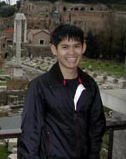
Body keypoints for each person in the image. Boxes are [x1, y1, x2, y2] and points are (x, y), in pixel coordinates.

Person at [18, 24, 106, 159]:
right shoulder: (39, 86)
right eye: (65, 47)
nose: (71, 52)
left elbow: (97, 126)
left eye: (76, 46)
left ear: (83, 48)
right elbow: (30, 133)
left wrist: (93, 155)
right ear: (54, 49)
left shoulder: (90, 85)